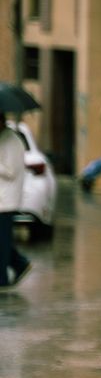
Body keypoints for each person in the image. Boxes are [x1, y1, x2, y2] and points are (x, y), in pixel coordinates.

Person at [0, 113, 32, 289]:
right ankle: (20, 264)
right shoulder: (2, 138)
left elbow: (11, 170)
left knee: (2, 244)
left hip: (6, 201)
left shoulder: (12, 141)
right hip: (1, 199)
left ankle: (2, 279)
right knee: (2, 241)